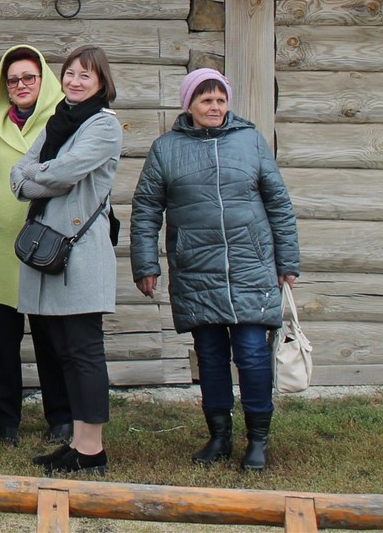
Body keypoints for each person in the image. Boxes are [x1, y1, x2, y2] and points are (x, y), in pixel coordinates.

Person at [132, 68, 301, 472]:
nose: (215, 106)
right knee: (209, 355)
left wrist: (287, 260)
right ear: (189, 105)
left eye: (221, 99)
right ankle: (219, 436)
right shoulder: (166, 149)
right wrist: (145, 263)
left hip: (250, 265)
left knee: (251, 354)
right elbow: (145, 211)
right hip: (196, 268)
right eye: (206, 100)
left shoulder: (251, 142)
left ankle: (257, 439)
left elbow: (279, 202)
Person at [12, 45, 124, 476]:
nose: (75, 81)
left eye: (86, 75)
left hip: (78, 251)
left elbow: (59, 173)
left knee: (83, 350)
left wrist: (32, 177)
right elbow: (20, 170)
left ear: (101, 82)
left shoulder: (103, 126)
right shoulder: (59, 120)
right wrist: (34, 175)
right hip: (48, 246)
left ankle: (93, 450)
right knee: (63, 351)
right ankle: (78, 443)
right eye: (70, 73)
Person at [0, 45, 73, 447]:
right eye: (13, 80)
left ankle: (60, 417)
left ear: (43, 80)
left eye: (29, 77)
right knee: (2, 345)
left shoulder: (62, 121)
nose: (21, 85)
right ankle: (6, 421)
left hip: (43, 247)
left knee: (51, 341)